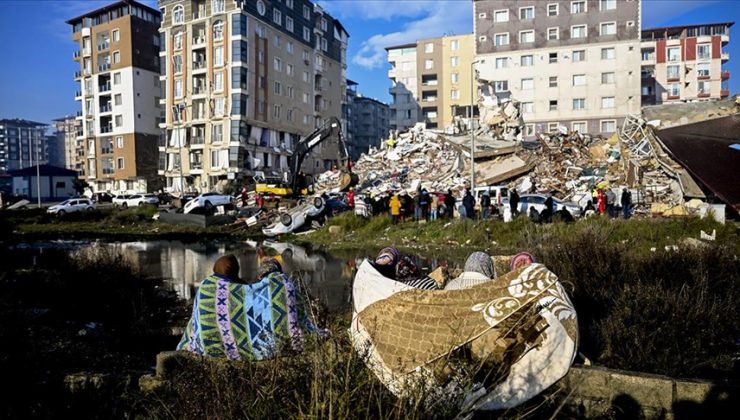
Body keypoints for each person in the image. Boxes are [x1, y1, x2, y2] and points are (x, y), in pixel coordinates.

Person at [177, 255, 317, 361]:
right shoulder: (282, 286)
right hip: (280, 348)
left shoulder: (207, 288)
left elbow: (196, 324)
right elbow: (302, 322)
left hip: (213, 349)